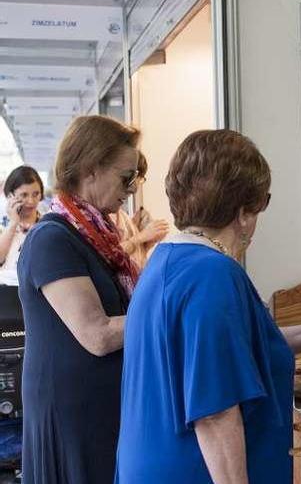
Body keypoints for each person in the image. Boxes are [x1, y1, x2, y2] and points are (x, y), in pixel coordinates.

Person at [115, 130, 301, 483]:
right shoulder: (212, 275)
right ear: (244, 212)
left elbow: (238, 347)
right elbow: (214, 412)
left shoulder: (168, 259)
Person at [17, 115, 141, 483]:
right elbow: (97, 334)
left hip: (96, 416)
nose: (131, 188)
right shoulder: (52, 239)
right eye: (125, 177)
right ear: (90, 169)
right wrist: (168, 313)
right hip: (72, 424)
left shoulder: (95, 236)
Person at [109, 152, 169, 269]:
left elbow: (132, 257)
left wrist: (147, 243)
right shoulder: (106, 215)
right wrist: (142, 236)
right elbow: (111, 258)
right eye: (135, 178)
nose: (134, 188)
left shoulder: (122, 215)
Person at [0, 166, 44, 271]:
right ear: (10, 195)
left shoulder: (46, 224)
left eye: (36, 194)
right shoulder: (3, 224)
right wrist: (13, 224)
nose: (31, 201)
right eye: (24, 195)